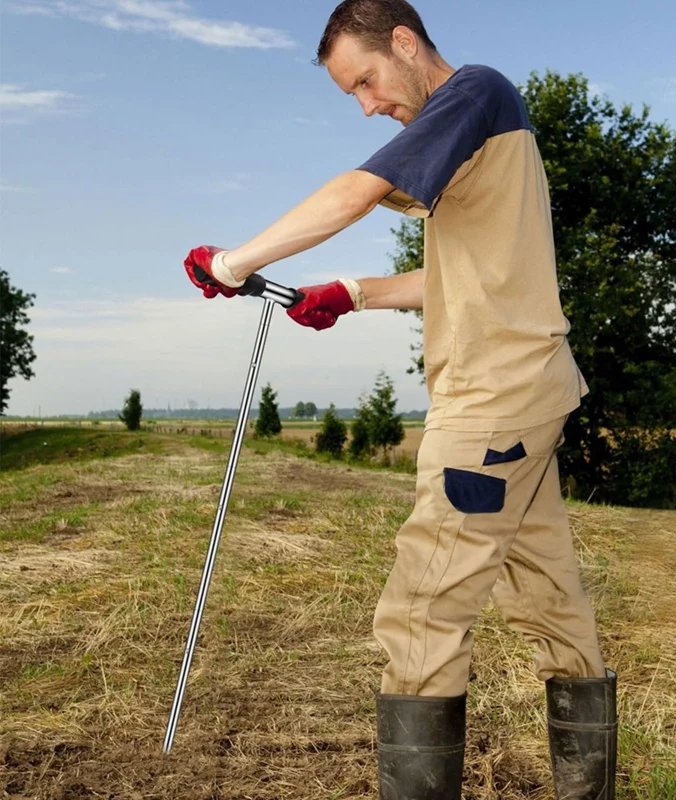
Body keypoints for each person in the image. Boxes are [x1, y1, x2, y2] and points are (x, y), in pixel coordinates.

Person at [183, 1, 617, 797]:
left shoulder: (474, 91)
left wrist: (235, 260)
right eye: (352, 94)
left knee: (422, 612)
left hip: (491, 406)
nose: (368, 104)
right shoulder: (488, 133)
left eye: (367, 80)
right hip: (528, 400)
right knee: (554, 603)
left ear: (406, 44)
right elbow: (467, 278)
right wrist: (351, 290)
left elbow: (355, 191)